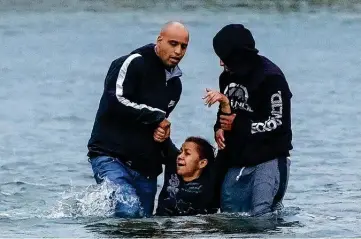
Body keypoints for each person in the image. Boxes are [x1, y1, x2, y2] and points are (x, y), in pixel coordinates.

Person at [87, 21, 189, 218]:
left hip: (145, 169)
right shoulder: (134, 62)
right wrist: (158, 117)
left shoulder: (175, 85)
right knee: (128, 211)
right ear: (159, 40)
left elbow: (156, 126)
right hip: (110, 157)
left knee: (143, 225)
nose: (178, 51)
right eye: (173, 43)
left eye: (183, 46)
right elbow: (116, 101)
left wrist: (163, 139)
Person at [203, 24, 293, 217]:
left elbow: (278, 123)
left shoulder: (272, 79)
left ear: (237, 55)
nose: (220, 63)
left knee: (262, 216)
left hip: (268, 158)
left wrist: (239, 126)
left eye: (224, 57)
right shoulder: (227, 77)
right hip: (237, 158)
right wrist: (219, 128)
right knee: (228, 215)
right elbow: (227, 110)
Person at [156, 136, 218, 216]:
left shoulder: (210, 182)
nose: (180, 156)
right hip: (161, 224)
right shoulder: (173, 163)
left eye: (187, 153)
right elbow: (164, 139)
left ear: (202, 163)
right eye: (180, 151)